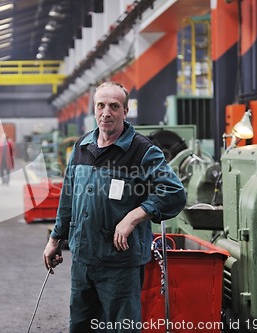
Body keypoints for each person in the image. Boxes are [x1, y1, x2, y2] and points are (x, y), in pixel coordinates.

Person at [43, 81, 186, 333]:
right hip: (83, 260)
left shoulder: (142, 151)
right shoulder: (81, 147)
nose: (106, 112)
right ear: (94, 109)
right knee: (81, 325)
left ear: (125, 111)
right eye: (100, 105)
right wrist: (56, 237)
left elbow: (174, 192)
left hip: (120, 264)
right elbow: (68, 200)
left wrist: (134, 216)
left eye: (114, 106)